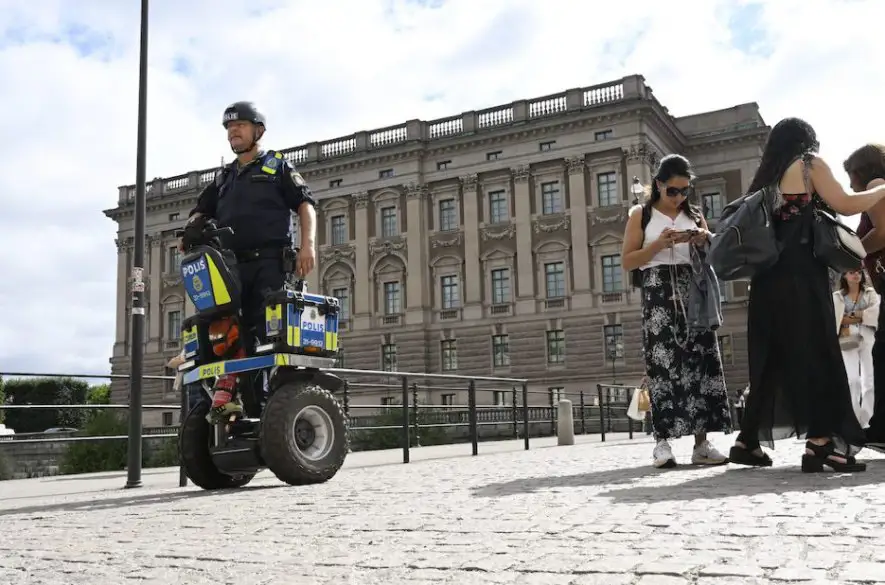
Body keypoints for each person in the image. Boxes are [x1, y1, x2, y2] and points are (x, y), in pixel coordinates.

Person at [728, 119, 885, 473]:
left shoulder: (767, 178)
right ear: (807, 141)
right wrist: (881, 190)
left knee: (772, 363)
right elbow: (846, 204)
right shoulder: (808, 164)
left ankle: (747, 441)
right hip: (801, 278)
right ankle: (820, 443)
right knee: (818, 356)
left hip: (766, 282)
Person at [180, 101, 317, 422]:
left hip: (269, 264)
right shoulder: (224, 177)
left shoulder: (277, 166)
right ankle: (233, 396)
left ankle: (271, 400)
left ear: (258, 131)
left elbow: (305, 205)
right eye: (229, 128)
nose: (233, 132)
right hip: (229, 266)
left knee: (268, 333)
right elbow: (201, 209)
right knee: (226, 331)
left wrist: (308, 246)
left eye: (239, 126)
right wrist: (192, 226)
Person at [621, 154, 733, 469]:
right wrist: (658, 244)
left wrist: (704, 239)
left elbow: (713, 256)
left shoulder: (694, 214)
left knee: (702, 362)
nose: (679, 197)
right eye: (673, 190)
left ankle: (701, 444)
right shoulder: (641, 215)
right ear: (658, 184)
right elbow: (628, 261)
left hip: (694, 289)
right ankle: (662, 443)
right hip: (658, 293)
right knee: (662, 366)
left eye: (685, 190)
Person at [844, 143, 885, 450]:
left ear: (862, 171)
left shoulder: (876, 185)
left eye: (851, 176)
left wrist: (852, 251)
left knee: (880, 354)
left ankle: (880, 430)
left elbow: (883, 231)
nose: (850, 186)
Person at [833, 269, 879, 428]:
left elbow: (874, 313)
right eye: (852, 272)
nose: (856, 275)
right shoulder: (837, 296)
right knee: (853, 380)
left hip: (867, 335)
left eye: (859, 272)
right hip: (847, 337)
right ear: (845, 276)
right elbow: (837, 319)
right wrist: (860, 316)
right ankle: (853, 418)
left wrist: (851, 316)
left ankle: (866, 420)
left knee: (869, 380)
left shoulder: (870, 293)